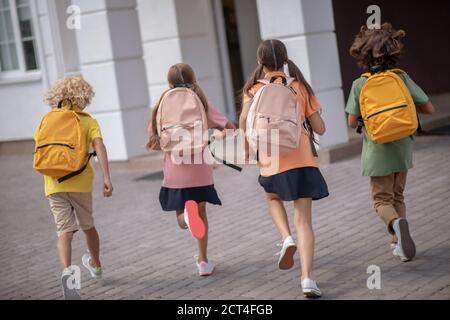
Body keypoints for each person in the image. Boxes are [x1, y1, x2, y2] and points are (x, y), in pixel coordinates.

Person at [240, 40, 329, 298]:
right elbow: (320, 128)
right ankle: (307, 279)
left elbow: (245, 120)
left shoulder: (254, 89)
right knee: (304, 221)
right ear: (285, 60)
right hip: (301, 158)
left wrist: (247, 146)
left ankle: (285, 238)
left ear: (260, 62)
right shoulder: (298, 87)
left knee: (272, 197)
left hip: (271, 160)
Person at [345, 23, 435, 262]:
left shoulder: (360, 84)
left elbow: (352, 121)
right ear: (393, 51)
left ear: (363, 53)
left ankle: (395, 225)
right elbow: (429, 107)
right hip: (402, 147)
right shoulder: (401, 77)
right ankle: (400, 246)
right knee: (398, 196)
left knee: (381, 200)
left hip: (377, 150)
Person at [147, 63, 236, 277]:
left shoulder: (161, 103)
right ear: (193, 78)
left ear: (169, 82)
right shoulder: (201, 101)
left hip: (175, 171)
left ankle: (186, 217)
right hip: (200, 168)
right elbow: (230, 128)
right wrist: (216, 137)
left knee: (183, 214)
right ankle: (204, 262)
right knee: (201, 212)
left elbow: (153, 135)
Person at [37, 76, 113, 299]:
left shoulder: (47, 119)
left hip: (53, 183)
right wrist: (106, 177)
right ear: (85, 97)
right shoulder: (88, 121)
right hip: (80, 183)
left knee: (64, 232)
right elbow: (99, 147)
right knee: (88, 226)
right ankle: (96, 265)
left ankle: (68, 274)